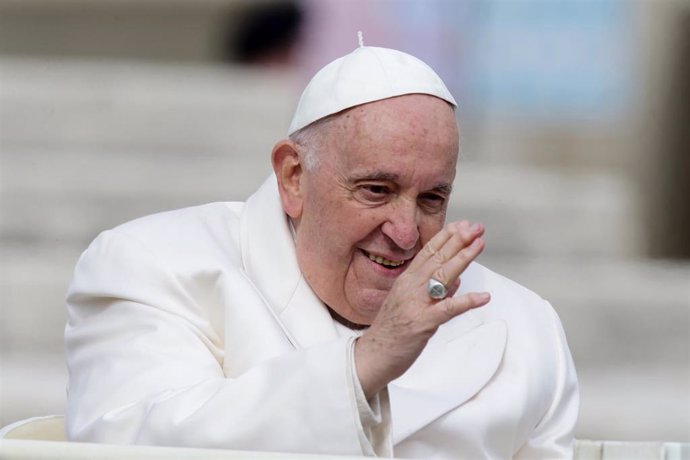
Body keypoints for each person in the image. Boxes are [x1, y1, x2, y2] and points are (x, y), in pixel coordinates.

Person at [64, 43, 579, 459]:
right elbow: (132, 444)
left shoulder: (525, 325)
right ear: (293, 177)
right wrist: (368, 360)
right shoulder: (154, 267)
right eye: (376, 190)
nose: (404, 232)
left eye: (431, 199)